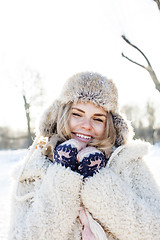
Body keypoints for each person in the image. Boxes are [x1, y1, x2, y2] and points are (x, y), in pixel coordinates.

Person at [9, 72, 160, 240]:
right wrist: (63, 174)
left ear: (109, 124)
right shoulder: (33, 170)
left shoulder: (129, 164)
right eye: (77, 114)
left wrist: (99, 180)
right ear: (63, 115)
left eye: (98, 119)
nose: (87, 126)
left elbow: (154, 232)